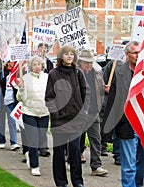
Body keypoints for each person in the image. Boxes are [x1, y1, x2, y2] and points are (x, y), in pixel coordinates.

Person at [103, 41, 144, 187]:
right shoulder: (119, 73)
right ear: (127, 55)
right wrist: (107, 130)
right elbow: (112, 103)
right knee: (129, 166)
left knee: (143, 164)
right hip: (127, 125)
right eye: (135, 52)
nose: (138, 55)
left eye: (140, 52)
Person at [45, 45, 90, 187]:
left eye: (72, 54)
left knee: (75, 150)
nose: (69, 56)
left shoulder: (78, 73)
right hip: (60, 121)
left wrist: (84, 111)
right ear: (61, 56)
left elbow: (86, 93)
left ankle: (77, 181)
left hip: (76, 119)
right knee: (59, 152)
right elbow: (49, 97)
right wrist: (56, 115)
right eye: (66, 54)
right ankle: (61, 182)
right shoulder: (53, 74)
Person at [17, 56, 49, 176]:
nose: (37, 67)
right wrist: (21, 89)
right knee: (33, 140)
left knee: (41, 139)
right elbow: (20, 99)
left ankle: (30, 153)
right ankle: (35, 165)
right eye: (34, 65)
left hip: (44, 112)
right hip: (29, 112)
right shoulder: (25, 78)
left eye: (39, 64)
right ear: (30, 66)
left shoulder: (47, 77)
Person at [77, 50, 108, 177]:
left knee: (96, 139)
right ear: (80, 62)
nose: (89, 65)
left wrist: (105, 89)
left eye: (91, 63)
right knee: (77, 139)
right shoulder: (75, 73)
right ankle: (72, 160)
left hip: (93, 111)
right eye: (86, 63)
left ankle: (96, 165)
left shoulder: (97, 73)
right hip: (79, 112)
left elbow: (99, 89)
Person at [1, 60, 20, 151]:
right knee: (0, 121)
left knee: (12, 121)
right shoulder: (2, 75)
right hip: (1, 100)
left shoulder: (16, 75)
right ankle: (1, 140)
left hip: (11, 101)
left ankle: (14, 142)